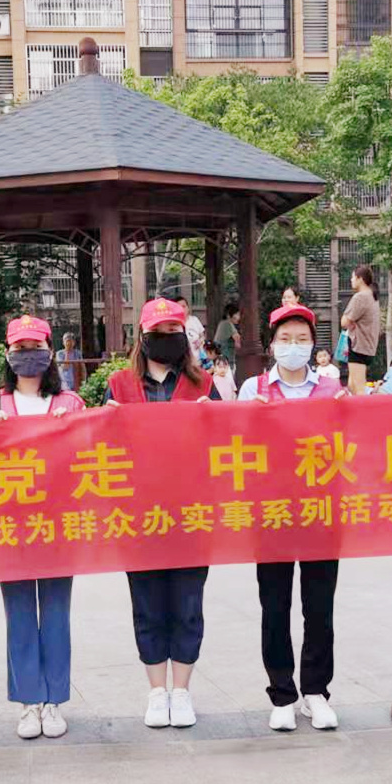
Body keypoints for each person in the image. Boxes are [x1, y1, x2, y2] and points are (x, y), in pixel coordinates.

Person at [104, 298, 219, 727]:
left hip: (191, 514)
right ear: (142, 336)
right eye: (158, 332)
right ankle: (157, 691)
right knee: (148, 604)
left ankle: (182, 691)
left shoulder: (203, 384)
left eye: (174, 331)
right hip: (138, 517)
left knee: (188, 604)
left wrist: (213, 420)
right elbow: (100, 450)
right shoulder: (119, 386)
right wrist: (107, 423)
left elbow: (227, 445)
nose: (166, 339)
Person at [0, 316, 86, 739]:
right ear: (7, 354)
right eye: (19, 349)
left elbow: (89, 457)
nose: (27, 355)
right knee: (19, 613)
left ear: (50, 352)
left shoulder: (70, 403)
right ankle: (28, 702)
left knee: (56, 612)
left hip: (57, 524)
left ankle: (54, 700)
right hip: (9, 525)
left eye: (35, 347)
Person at [238, 304, 347, 731]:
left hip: (321, 512)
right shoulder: (253, 389)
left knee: (319, 608)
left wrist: (350, 412)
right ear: (272, 345)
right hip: (273, 513)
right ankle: (282, 693)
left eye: (302, 339)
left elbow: (350, 443)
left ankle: (315, 692)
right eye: (285, 339)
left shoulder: (331, 388)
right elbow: (235, 445)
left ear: (313, 345)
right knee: (275, 606)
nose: (293, 346)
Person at [340, 264, 380, 395]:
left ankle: (367, 408)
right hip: (368, 346)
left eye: (353, 277)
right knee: (351, 385)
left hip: (358, 346)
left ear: (360, 279)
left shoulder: (360, 297)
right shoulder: (372, 296)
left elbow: (344, 322)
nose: (351, 280)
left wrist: (349, 321)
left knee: (359, 389)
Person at [178, 296, 208, 366]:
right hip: (182, 361)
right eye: (179, 307)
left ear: (188, 308)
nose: (182, 309)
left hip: (197, 359)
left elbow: (203, 335)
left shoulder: (194, 320)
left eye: (184, 306)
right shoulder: (175, 323)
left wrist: (200, 341)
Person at [214, 301, 241, 366]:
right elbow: (238, 342)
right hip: (226, 361)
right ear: (229, 315)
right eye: (237, 314)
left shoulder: (222, 323)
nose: (239, 317)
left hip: (221, 360)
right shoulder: (227, 324)